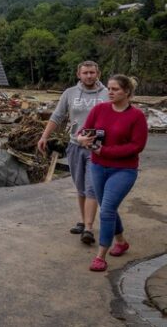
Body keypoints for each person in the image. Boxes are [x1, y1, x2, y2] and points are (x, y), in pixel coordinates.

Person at [77, 74, 148, 272]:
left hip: (124, 170)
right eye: (109, 88)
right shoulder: (99, 109)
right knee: (109, 207)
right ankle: (121, 242)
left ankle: (100, 256)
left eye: (115, 89)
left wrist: (104, 151)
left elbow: (137, 146)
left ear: (127, 92)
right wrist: (82, 138)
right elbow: (84, 131)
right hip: (98, 166)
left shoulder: (137, 116)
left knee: (107, 209)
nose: (110, 92)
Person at [37, 61, 108, 245]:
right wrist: (44, 137)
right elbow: (57, 116)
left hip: (97, 148)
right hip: (75, 145)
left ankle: (89, 229)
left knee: (92, 186)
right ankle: (83, 221)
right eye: (85, 73)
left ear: (98, 73)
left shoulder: (107, 94)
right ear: (79, 74)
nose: (89, 76)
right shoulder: (70, 93)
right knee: (80, 187)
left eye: (92, 72)